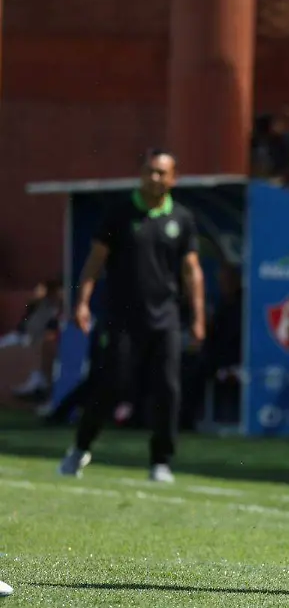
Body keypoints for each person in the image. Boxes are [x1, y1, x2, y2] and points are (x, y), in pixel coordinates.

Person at [58, 149, 205, 484]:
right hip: (122, 318)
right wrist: (82, 301)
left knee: (168, 388)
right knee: (111, 386)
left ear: (173, 178)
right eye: (150, 171)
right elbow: (95, 261)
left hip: (165, 318)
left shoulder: (181, 219)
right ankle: (80, 448)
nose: (155, 178)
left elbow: (191, 270)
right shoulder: (119, 214)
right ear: (141, 175)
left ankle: (161, 461)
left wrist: (197, 318)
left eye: (162, 173)